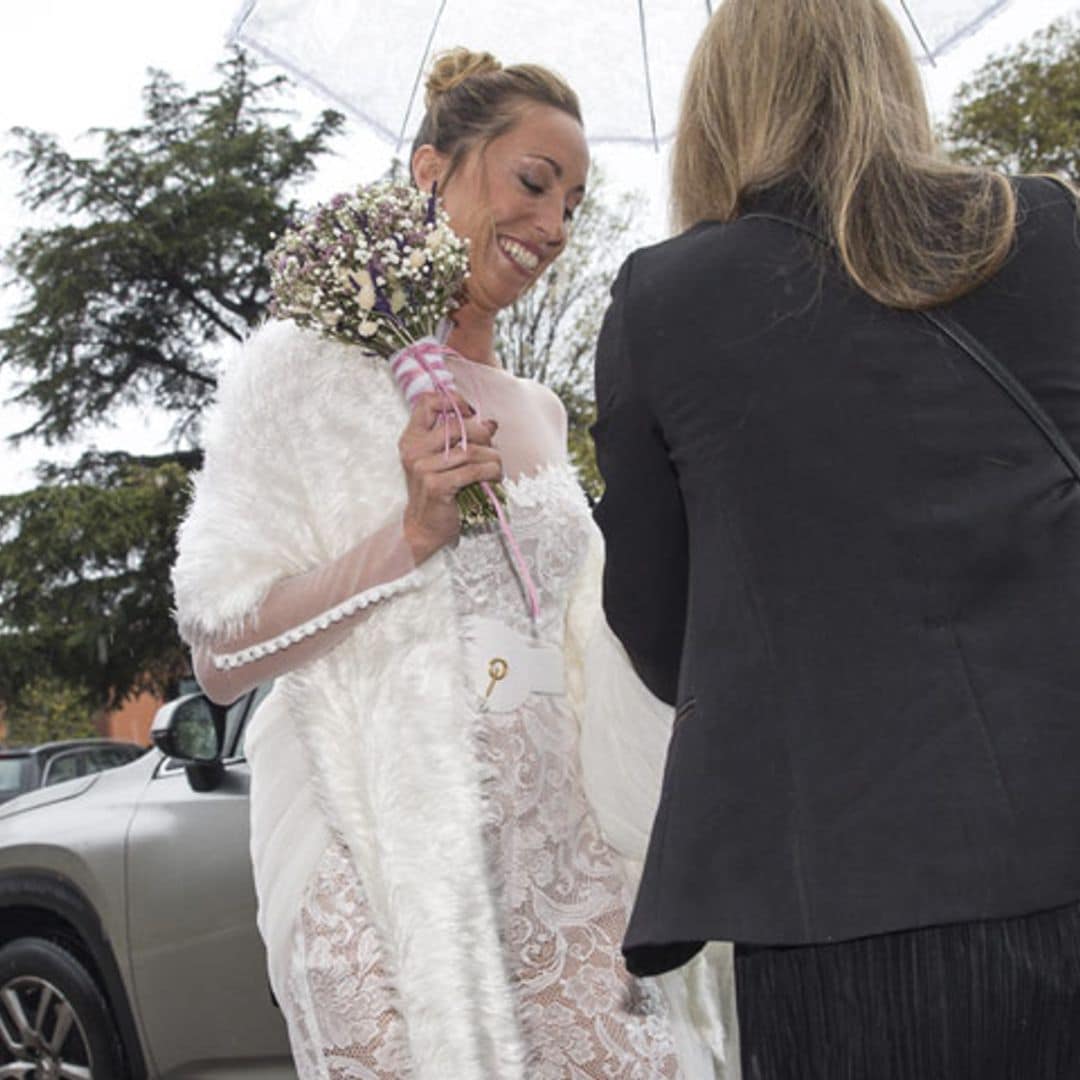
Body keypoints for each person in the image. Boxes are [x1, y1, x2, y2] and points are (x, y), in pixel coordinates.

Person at [173, 47, 725, 1080]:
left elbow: (588, 634)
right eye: (532, 182)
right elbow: (218, 654)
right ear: (432, 171)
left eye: (573, 200)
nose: (556, 226)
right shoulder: (301, 373)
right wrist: (410, 536)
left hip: (566, 869)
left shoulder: (542, 411)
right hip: (386, 875)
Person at [592, 0, 1080, 1077]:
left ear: (721, 108)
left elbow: (658, 623)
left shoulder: (664, 302)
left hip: (839, 892)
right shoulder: (1042, 229)